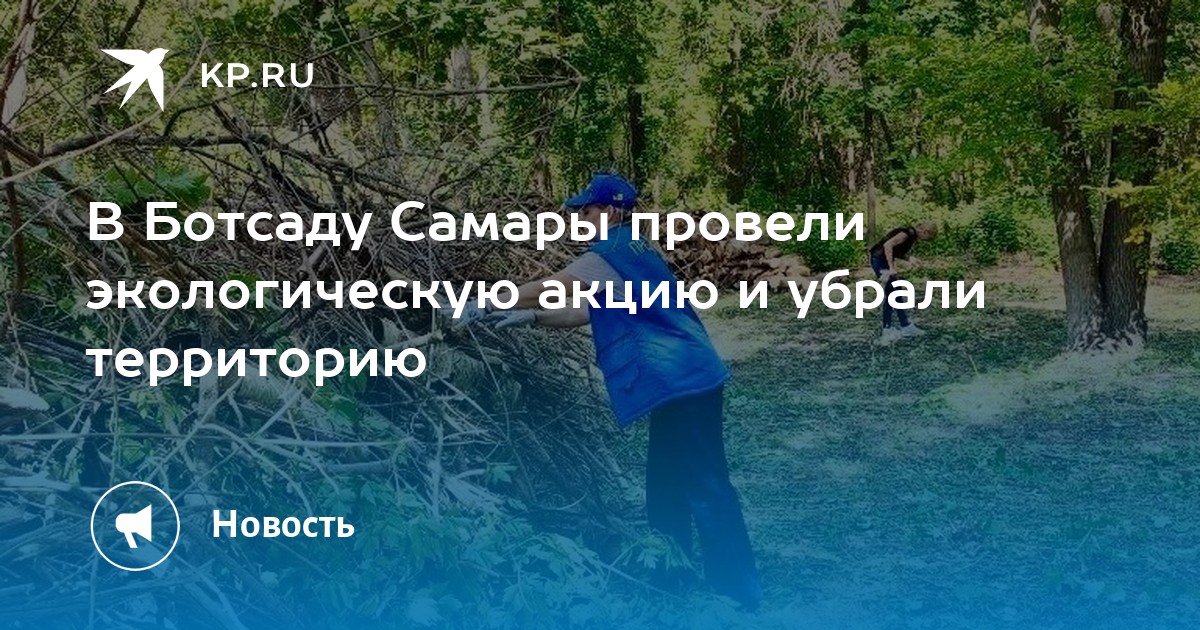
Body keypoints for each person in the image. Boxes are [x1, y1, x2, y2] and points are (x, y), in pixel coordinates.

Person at [462, 173, 763, 610]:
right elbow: (587, 310)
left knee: (706, 483)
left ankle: (738, 592)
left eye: (586, 210)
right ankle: (670, 576)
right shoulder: (633, 249)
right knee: (665, 482)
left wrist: (486, 302)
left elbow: (551, 288)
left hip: (685, 380)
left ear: (611, 210)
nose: (580, 218)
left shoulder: (611, 252)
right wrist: (533, 319)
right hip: (679, 380)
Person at [869, 222, 938, 345]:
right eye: (928, 238)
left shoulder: (911, 236)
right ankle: (887, 329)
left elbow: (896, 250)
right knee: (892, 294)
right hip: (879, 260)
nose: (925, 240)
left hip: (881, 260)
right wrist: (891, 267)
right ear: (925, 231)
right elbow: (887, 245)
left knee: (896, 292)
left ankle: (905, 326)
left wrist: (910, 259)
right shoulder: (906, 234)